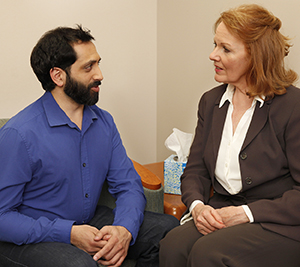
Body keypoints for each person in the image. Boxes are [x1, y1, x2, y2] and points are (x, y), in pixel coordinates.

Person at [0, 25, 179, 267]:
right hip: (32, 235)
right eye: (88, 67)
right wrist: (69, 233)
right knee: (79, 265)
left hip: (88, 221)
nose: (100, 75)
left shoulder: (104, 122)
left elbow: (127, 185)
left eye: (97, 63)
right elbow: (2, 218)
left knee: (168, 232)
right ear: (58, 76)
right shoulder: (19, 134)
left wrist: (123, 229)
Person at [159, 4, 300, 267]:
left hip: (276, 222)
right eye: (215, 45)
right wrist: (198, 207)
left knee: (208, 254)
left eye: (225, 48)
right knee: (173, 245)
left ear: (256, 56)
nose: (212, 55)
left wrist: (246, 213)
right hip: (220, 210)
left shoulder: (293, 107)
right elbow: (196, 170)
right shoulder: (210, 103)